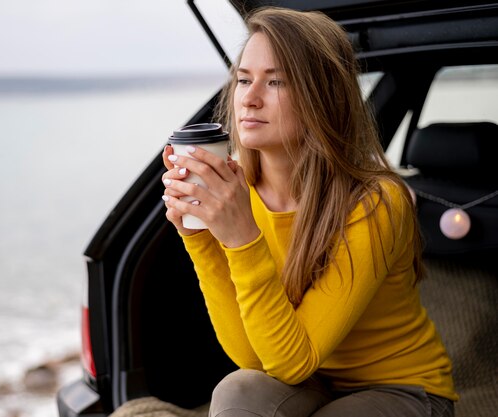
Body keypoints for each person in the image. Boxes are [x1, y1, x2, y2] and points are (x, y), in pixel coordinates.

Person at [160, 7, 457, 417]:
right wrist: (200, 240)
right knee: (237, 391)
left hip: (401, 389)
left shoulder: (375, 202)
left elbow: (290, 362)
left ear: (323, 96)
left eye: (276, 81)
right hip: (310, 382)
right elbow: (254, 361)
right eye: (244, 79)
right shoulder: (237, 194)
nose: (249, 97)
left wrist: (242, 239)